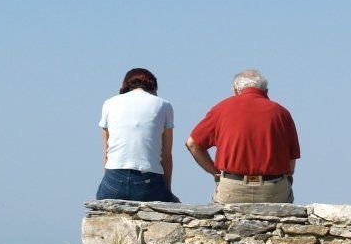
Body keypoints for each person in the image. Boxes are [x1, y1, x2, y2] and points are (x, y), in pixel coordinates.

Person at [185, 69, 300, 203]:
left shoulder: (221, 109)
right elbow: (291, 164)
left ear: (235, 89)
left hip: (232, 189)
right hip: (272, 189)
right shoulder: (282, 113)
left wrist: (215, 172)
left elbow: (192, 143)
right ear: (266, 91)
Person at [96, 68, 178, 202]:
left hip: (114, 180)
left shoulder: (109, 104)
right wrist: (167, 192)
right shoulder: (164, 105)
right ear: (153, 88)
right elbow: (166, 157)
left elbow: (106, 154)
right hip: (148, 183)